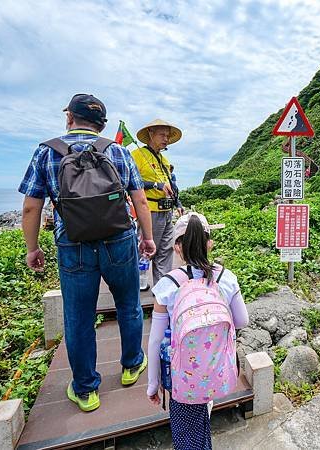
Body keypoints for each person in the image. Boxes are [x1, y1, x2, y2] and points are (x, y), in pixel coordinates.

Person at [19, 94, 157, 412]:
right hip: (119, 241)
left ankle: (85, 389)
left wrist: (32, 248)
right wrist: (147, 239)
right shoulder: (119, 151)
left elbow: (30, 207)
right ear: (102, 124)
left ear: (70, 118)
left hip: (73, 244)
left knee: (79, 317)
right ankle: (131, 366)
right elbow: (138, 201)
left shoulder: (47, 151)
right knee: (128, 305)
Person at [146, 213, 249, 449]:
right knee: (203, 422)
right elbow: (242, 320)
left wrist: (153, 384)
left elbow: (155, 341)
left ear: (177, 247)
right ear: (209, 243)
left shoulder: (168, 285)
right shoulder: (226, 277)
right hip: (216, 371)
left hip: (183, 378)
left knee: (187, 437)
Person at [132, 119, 183, 285]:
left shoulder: (165, 161)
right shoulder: (137, 155)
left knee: (166, 251)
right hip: (150, 210)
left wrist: (179, 203)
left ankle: (163, 287)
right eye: (162, 134)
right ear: (150, 134)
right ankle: (138, 283)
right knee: (146, 250)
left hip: (167, 211)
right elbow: (131, 183)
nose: (166, 139)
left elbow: (171, 185)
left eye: (168, 136)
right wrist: (156, 185)